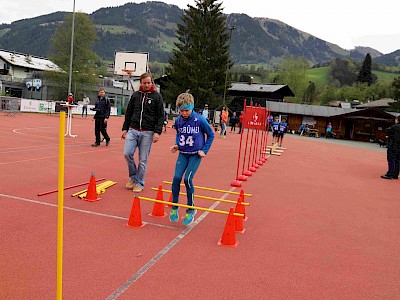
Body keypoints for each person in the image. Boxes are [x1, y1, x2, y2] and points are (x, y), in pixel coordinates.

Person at [169, 92, 214, 225]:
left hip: (195, 154)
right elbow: (179, 134)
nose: (184, 113)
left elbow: (211, 135)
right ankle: (174, 206)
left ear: (192, 107)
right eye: (181, 111)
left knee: (187, 179)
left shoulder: (200, 120)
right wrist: (177, 144)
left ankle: (191, 208)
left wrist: (204, 150)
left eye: (186, 110)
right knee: (176, 178)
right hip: (183, 153)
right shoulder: (178, 121)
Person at [121, 72, 164, 193]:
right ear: (141, 83)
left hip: (148, 132)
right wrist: (125, 129)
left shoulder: (157, 97)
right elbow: (129, 113)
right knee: (127, 153)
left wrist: (157, 132)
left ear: (152, 83)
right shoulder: (135, 95)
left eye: (149, 83)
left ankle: (139, 182)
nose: (146, 85)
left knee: (143, 159)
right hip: (133, 130)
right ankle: (133, 177)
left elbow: (161, 116)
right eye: (144, 83)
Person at [381, 114, 400, 180]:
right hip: (399, 147)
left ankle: (390, 174)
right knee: (397, 160)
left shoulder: (395, 127)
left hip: (393, 145)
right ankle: (395, 174)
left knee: (391, 160)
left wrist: (389, 136)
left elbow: (387, 130)